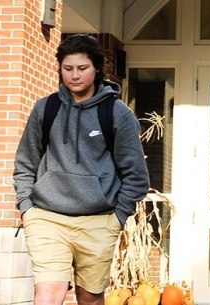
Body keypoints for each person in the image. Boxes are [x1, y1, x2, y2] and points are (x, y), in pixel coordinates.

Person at [13, 34, 149, 305]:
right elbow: (26, 161)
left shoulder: (116, 113)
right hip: (46, 217)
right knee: (48, 293)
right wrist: (27, 206)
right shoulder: (46, 108)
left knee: (89, 297)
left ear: (97, 69)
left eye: (82, 68)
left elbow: (136, 175)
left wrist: (118, 216)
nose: (74, 75)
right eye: (68, 68)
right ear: (60, 69)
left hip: (99, 220)